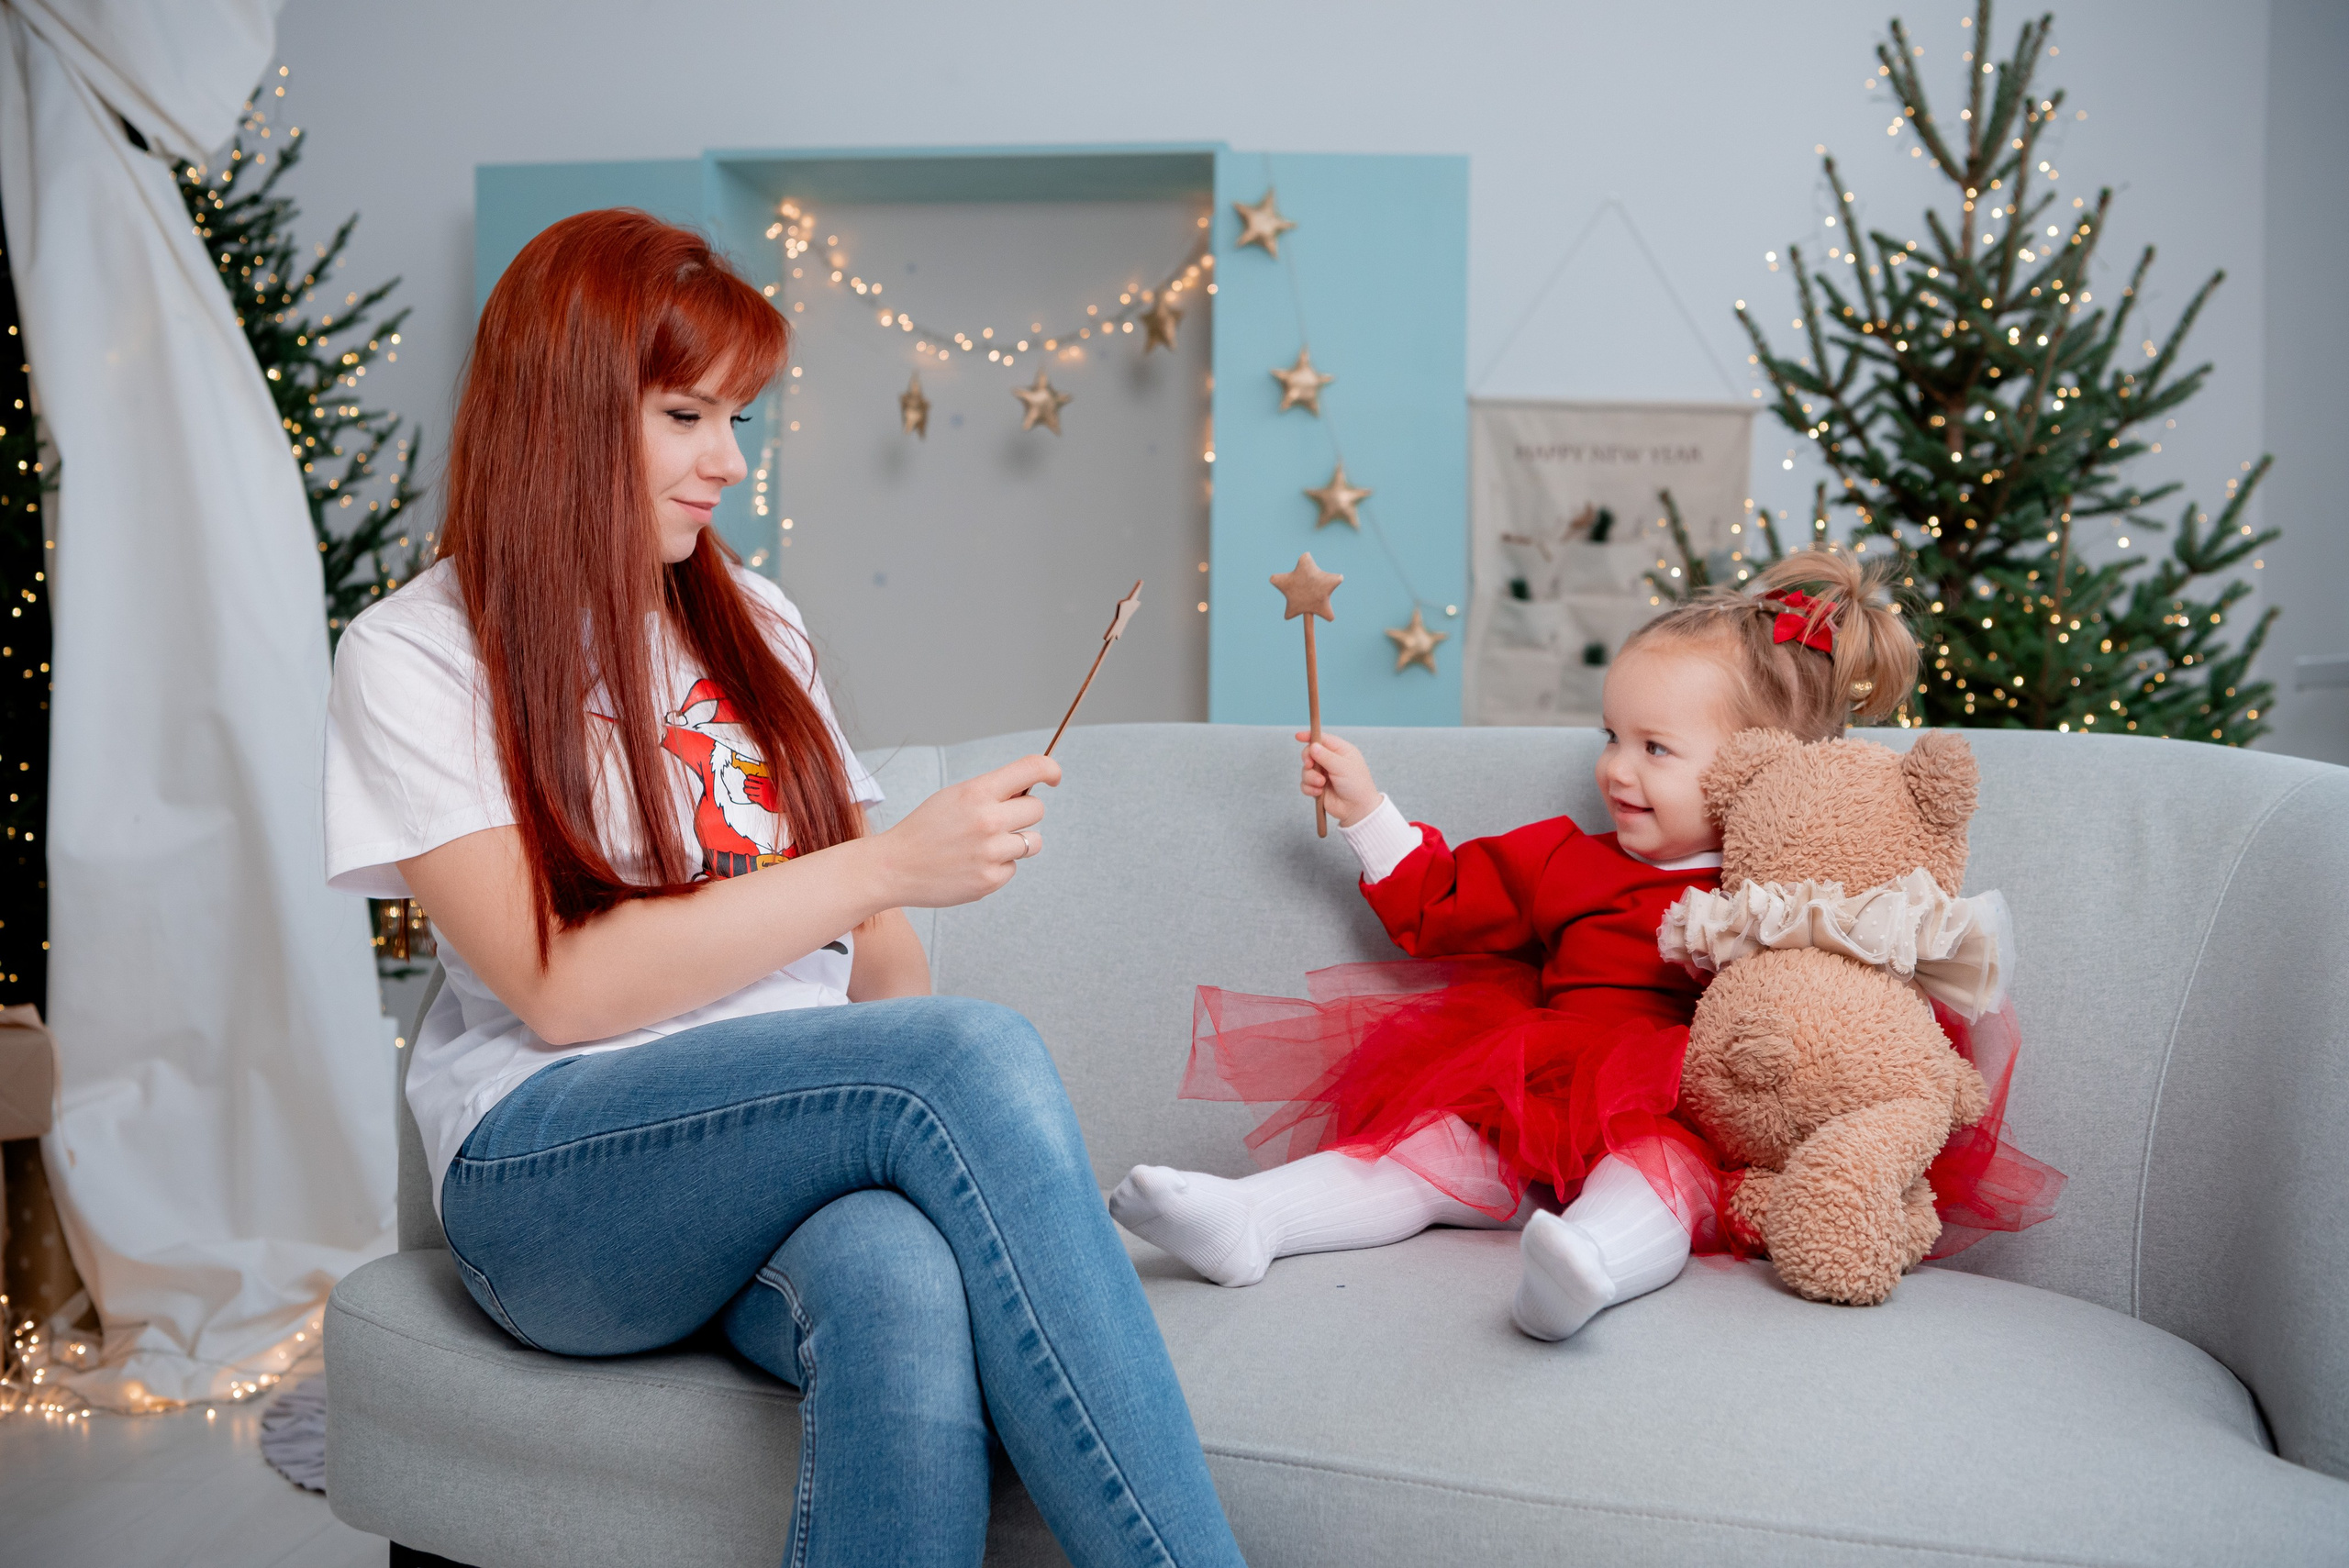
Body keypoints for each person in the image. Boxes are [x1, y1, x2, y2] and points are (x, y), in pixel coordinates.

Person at [322, 209, 1245, 1568]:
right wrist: (885, 865)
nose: (729, 461)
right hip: (554, 1177)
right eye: (686, 416)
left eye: (737, 417)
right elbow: (558, 987)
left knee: (899, 1277)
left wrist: (887, 914)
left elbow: (884, 976)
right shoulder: (415, 654)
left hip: (776, 1155)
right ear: (563, 412)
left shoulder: (757, 623)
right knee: (968, 1056)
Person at [1111, 551, 1921, 1341]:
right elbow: (1438, 901)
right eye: (1611, 735)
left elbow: (1842, 1021)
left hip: (1680, 1118)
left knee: (1657, 1182)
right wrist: (1366, 809)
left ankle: (1583, 1266)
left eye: (1655, 748)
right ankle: (1255, 1216)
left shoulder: (1787, 903)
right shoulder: (1566, 856)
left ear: (1761, 767)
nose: (1616, 769)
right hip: (1533, 1100)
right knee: (1420, 1152)